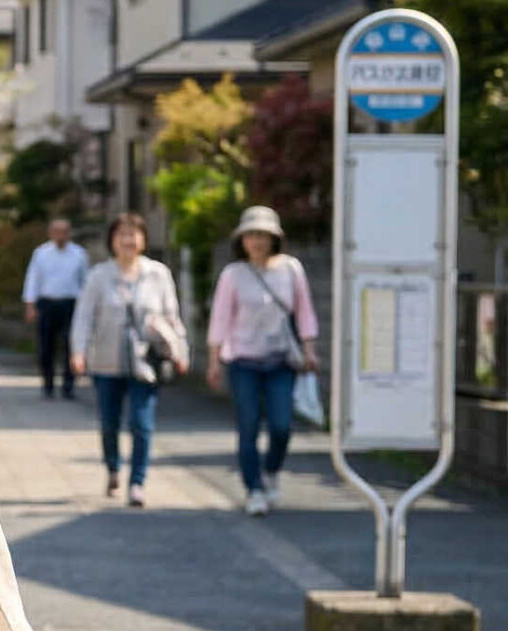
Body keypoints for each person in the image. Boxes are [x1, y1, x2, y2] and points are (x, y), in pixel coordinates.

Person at [205, 205, 319, 516]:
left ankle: (272, 470)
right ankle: (253, 489)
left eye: (263, 235)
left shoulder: (291, 269)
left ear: (274, 238)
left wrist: (309, 349)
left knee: (282, 426)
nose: (256, 241)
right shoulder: (233, 275)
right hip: (243, 361)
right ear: (241, 240)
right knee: (249, 425)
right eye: (251, 235)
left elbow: (304, 311)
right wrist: (214, 361)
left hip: (281, 360)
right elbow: (220, 319)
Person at [69, 213, 180, 508]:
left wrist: (180, 351)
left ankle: (138, 482)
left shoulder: (158, 274)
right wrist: (78, 351)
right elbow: (84, 318)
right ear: (112, 240)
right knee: (109, 423)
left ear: (144, 239)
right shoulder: (98, 276)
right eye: (122, 234)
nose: (128, 240)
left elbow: (172, 317)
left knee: (142, 424)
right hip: (106, 361)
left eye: (134, 234)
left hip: (146, 362)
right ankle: (113, 467)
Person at [23, 217, 89, 400]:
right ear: (51, 233)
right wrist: (30, 304)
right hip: (47, 303)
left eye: (64, 232)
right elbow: (33, 279)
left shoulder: (79, 254)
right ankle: (48, 384)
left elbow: (86, 282)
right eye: (57, 231)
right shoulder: (42, 253)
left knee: (70, 345)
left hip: (71, 303)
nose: (60, 236)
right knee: (46, 346)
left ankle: (69, 385)